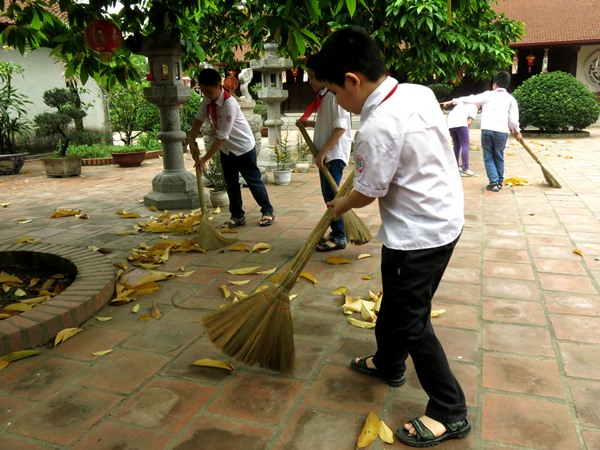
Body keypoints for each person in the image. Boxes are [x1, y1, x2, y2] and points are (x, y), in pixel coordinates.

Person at [314, 26, 470, 447]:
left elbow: (367, 193)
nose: (336, 102)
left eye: (332, 91)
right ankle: (388, 362)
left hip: (419, 233)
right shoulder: (414, 92)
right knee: (399, 301)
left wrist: (339, 205)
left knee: (411, 320)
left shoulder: (377, 125)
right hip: (439, 218)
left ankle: (449, 410)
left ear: (352, 80)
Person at [188, 68, 275, 228]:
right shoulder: (207, 100)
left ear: (219, 86)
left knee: (253, 180)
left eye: (210, 91)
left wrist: (204, 159)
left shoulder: (229, 104)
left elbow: (221, 137)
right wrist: (191, 139)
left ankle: (267, 211)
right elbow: (198, 120)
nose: (207, 95)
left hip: (243, 147)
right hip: (227, 150)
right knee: (231, 183)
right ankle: (237, 216)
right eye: (204, 92)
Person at [299, 53, 353, 252]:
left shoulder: (334, 96)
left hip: (334, 154)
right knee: (328, 194)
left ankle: (339, 236)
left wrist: (323, 152)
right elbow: (330, 124)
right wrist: (309, 122)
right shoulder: (325, 96)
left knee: (331, 195)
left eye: (312, 76)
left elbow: (340, 128)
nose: (309, 81)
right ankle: (337, 230)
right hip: (327, 154)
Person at [442, 71, 522, 192]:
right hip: (502, 132)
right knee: (499, 156)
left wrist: (452, 101)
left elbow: (469, 99)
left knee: (489, 157)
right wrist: (516, 131)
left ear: (494, 84)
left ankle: (494, 182)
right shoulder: (511, 99)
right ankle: (499, 181)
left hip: (487, 131)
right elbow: (513, 121)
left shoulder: (488, 95)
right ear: (507, 84)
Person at [446, 103, 479, 177]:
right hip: (460, 123)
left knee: (457, 145)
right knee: (465, 145)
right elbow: (469, 123)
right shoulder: (474, 107)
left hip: (450, 124)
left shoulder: (461, 103)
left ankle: (455, 167)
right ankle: (466, 168)